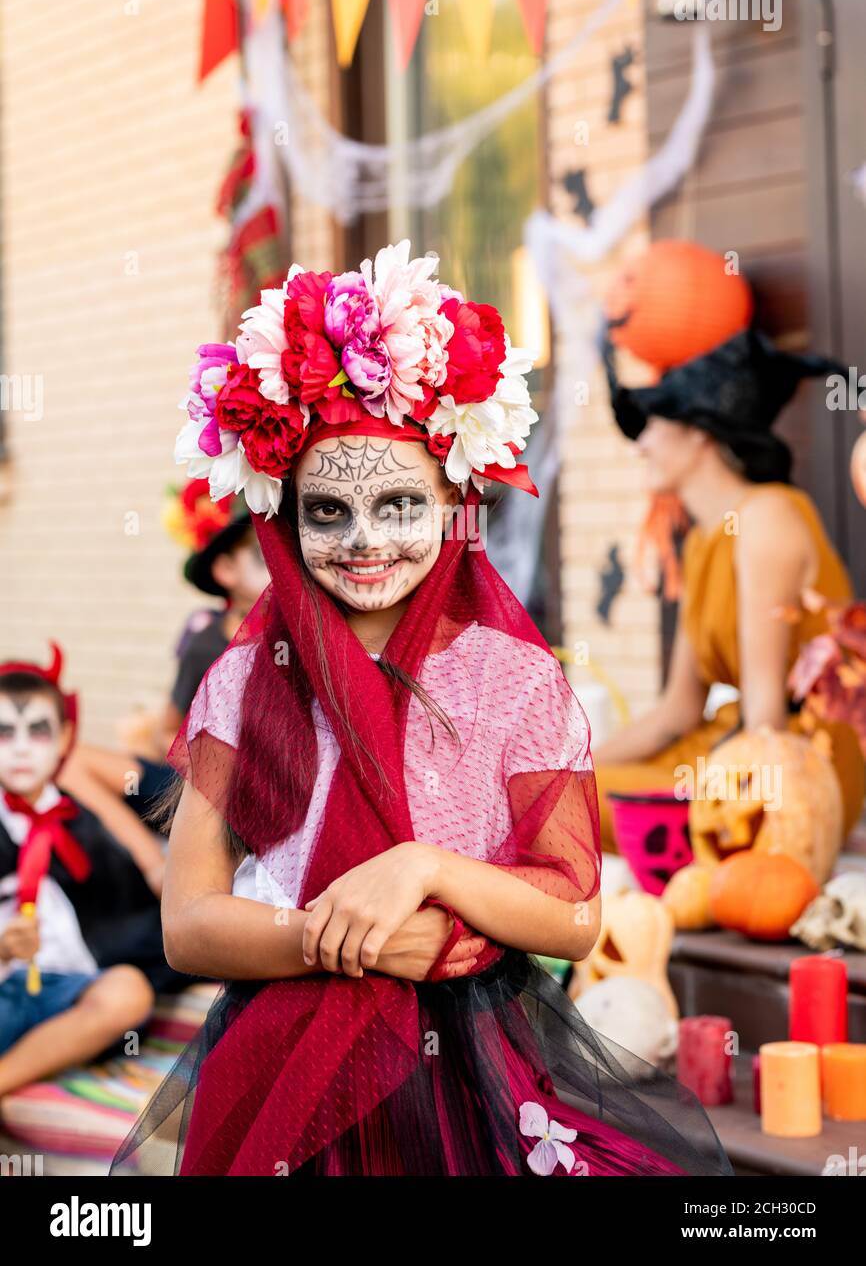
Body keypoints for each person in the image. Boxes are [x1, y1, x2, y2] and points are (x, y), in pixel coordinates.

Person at [110, 241, 732, 1177]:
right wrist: (347, 942)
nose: (365, 542)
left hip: (469, 1070)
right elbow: (189, 924)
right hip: (281, 1069)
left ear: (454, 501)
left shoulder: (511, 680)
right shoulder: (246, 684)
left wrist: (423, 869)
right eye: (328, 513)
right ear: (283, 512)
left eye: (400, 505)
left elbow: (571, 915)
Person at [595, 325, 865, 853]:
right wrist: (566, 767)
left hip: (795, 771)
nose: (640, 444)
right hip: (728, 747)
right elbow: (677, 712)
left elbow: (765, 719)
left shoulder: (767, 518)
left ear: (700, 431)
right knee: (552, 793)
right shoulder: (702, 542)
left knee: (566, 808)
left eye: (651, 423)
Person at [0, 648, 186, 1099]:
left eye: (37, 732)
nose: (22, 748)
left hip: (66, 991)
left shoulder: (85, 817)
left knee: (128, 992)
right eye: (4, 734)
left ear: (65, 740)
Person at [57, 481, 271, 864]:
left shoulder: (298, 633)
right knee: (70, 760)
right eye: (261, 556)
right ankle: (150, 861)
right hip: (203, 785)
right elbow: (169, 729)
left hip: (272, 794)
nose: (276, 566)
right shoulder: (207, 640)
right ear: (224, 569)